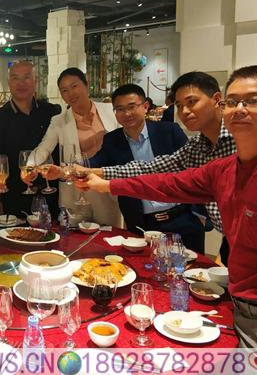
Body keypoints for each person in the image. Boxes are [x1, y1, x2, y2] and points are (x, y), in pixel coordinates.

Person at [78, 65, 257, 349]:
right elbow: (165, 180)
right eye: (233, 102)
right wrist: (108, 184)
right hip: (242, 303)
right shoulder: (221, 169)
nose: (239, 109)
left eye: (253, 101)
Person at [83, 72, 235, 264]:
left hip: (207, 228)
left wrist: (199, 217)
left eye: (192, 102)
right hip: (146, 224)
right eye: (179, 105)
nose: (185, 111)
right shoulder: (197, 146)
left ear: (217, 99)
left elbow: (172, 183)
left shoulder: (241, 140)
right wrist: (91, 172)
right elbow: (151, 169)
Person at [89, 84, 207, 252]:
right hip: (141, 224)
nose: (127, 114)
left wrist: (198, 214)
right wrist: (68, 169)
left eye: (132, 107)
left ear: (145, 106)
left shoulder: (169, 131)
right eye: (120, 109)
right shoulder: (112, 140)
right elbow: (95, 163)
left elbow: (193, 170)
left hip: (182, 219)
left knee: (192, 267)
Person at [30, 67, 121, 225]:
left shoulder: (110, 110)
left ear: (86, 84)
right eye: (64, 90)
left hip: (106, 186)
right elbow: (44, 148)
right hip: (76, 190)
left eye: (74, 86)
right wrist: (29, 166)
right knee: (75, 234)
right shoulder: (59, 121)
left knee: (109, 234)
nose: (71, 94)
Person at [0, 61, 60, 217]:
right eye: (15, 78)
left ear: (35, 81)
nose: (21, 83)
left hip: (51, 192)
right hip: (15, 196)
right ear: (9, 83)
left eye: (26, 77)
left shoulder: (51, 112)